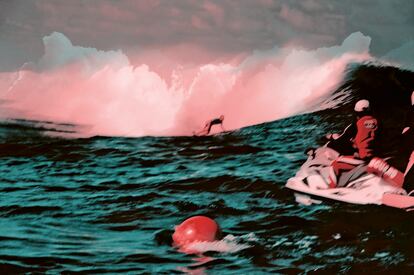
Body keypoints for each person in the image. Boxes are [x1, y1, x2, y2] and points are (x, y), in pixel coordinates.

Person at [328, 99, 379, 188]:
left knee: (334, 164)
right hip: (376, 156)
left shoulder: (355, 125)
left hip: (363, 159)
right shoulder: (378, 122)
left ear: (356, 112)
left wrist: (332, 138)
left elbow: (341, 140)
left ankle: (330, 189)